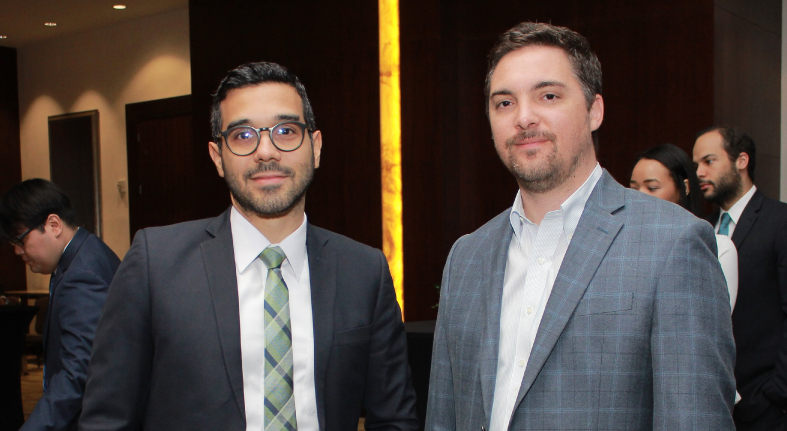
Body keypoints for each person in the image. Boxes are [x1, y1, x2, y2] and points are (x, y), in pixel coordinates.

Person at [425, 22, 735, 431]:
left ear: (594, 110)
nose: (523, 117)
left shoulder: (673, 243)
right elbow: (444, 417)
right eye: (504, 102)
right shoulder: (466, 258)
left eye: (548, 95)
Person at [78, 62, 417, 431]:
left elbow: (394, 419)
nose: (266, 152)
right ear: (217, 157)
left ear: (316, 147)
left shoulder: (364, 271)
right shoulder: (154, 264)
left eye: (286, 131)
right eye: (242, 135)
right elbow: (107, 419)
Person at [0, 179, 120, 431]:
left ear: (53, 225)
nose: (18, 251)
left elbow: (78, 372)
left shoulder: (82, 274)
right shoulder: (81, 255)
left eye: (20, 240)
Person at [693, 126, 787, 430]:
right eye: (696, 164)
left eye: (709, 161)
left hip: (765, 405)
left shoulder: (779, 221)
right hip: (711, 403)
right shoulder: (700, 229)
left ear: (741, 161)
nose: (700, 172)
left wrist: (777, 392)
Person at [630, 143, 738, 310]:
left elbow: (712, 316)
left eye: (652, 188)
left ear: (684, 188)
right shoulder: (623, 248)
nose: (639, 197)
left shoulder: (717, 247)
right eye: (633, 188)